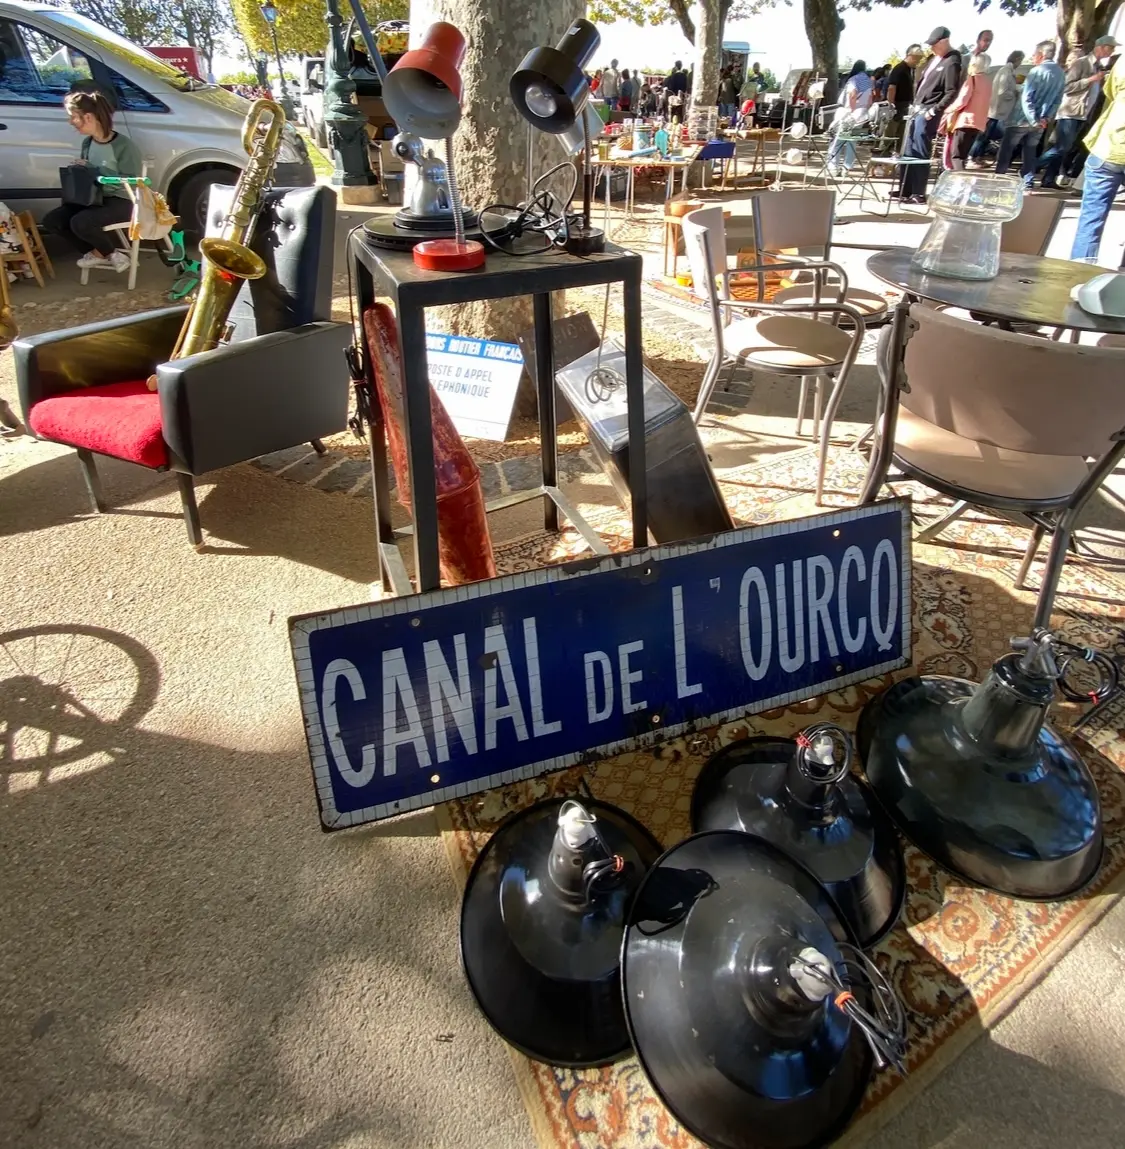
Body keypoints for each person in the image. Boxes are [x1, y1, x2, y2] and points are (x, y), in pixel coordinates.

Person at [41, 90, 141, 274]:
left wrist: (94, 170)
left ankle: (105, 253)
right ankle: (106, 253)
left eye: (73, 117)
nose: (71, 122)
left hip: (122, 200)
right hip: (94, 199)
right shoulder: (87, 143)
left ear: (87, 117)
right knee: (52, 221)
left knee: (81, 222)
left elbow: (132, 180)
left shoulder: (123, 145)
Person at [1038, 35, 1118, 188]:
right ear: (1101, 47)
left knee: (1063, 149)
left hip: (1082, 114)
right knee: (1062, 148)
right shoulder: (1081, 63)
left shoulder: (1098, 66)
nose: (1112, 51)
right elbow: (1067, 87)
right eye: (1111, 48)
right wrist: (1090, 80)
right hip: (1071, 112)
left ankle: (1048, 179)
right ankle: (1030, 168)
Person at [1071, 51, 1125, 261]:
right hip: (1109, 147)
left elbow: (1111, 91)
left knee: (1091, 219)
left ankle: (1080, 271)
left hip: (1109, 145)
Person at [900, 28, 963, 203]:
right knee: (908, 149)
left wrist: (933, 111)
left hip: (928, 110)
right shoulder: (934, 60)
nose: (932, 48)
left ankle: (918, 192)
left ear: (945, 41)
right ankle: (905, 189)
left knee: (920, 151)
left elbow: (951, 91)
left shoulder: (952, 61)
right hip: (917, 108)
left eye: (935, 44)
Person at [995, 41, 1065, 188]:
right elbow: (1058, 100)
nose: (1033, 57)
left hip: (1021, 118)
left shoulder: (1036, 71)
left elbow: (1027, 98)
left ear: (1041, 55)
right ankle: (1028, 181)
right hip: (1041, 120)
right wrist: (1046, 118)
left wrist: (1033, 118)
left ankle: (998, 177)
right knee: (1030, 151)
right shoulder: (1060, 73)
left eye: (1034, 54)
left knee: (1007, 148)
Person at [967, 50, 1024, 164]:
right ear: (1017, 59)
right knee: (984, 136)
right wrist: (1015, 93)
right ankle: (972, 156)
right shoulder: (1006, 72)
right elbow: (1002, 92)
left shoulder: (1008, 71)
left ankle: (977, 157)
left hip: (998, 110)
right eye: (1020, 61)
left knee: (986, 136)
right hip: (997, 110)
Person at [942, 54, 993, 170]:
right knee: (963, 155)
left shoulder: (972, 79)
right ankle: (961, 177)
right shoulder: (988, 82)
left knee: (956, 156)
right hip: (979, 123)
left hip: (965, 121)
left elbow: (962, 100)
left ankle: (959, 178)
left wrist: (948, 110)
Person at [827, 60, 873, 173]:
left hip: (851, 113)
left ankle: (833, 165)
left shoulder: (853, 79)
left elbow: (852, 94)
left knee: (838, 139)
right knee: (852, 140)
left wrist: (851, 110)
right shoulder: (868, 80)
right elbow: (870, 98)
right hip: (862, 113)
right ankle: (848, 166)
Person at [884, 44, 923, 154]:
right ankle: (883, 154)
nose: (917, 62)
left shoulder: (911, 70)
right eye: (916, 58)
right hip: (897, 105)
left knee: (903, 133)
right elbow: (892, 87)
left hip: (906, 105)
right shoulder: (899, 68)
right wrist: (891, 105)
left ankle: (898, 154)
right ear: (910, 56)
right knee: (890, 132)